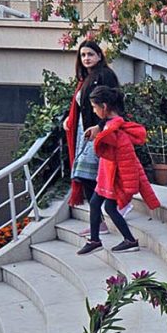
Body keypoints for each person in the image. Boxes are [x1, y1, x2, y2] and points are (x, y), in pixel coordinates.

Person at [77, 84, 160, 255]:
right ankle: (95, 240)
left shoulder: (115, 132)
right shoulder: (110, 125)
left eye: (94, 107)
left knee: (109, 208)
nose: (93, 111)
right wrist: (98, 128)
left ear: (104, 107)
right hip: (106, 175)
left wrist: (126, 186)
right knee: (95, 203)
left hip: (114, 177)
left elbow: (127, 159)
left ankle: (127, 240)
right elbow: (107, 124)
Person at [63, 40, 120, 232]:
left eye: (90, 54)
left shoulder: (105, 75)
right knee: (85, 175)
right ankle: (99, 222)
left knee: (90, 176)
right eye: (83, 55)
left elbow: (116, 104)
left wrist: (101, 126)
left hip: (99, 132)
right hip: (84, 131)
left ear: (99, 55)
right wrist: (67, 119)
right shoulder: (85, 79)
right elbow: (79, 106)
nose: (86, 58)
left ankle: (103, 219)